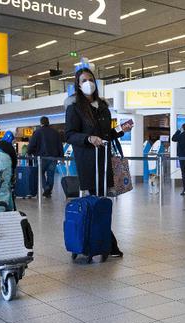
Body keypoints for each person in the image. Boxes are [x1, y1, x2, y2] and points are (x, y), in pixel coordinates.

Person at [65, 67, 133, 258]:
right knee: (96, 201)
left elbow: (106, 135)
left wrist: (121, 129)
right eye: (84, 80)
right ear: (78, 85)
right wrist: (88, 139)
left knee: (102, 202)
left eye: (90, 79)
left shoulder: (103, 107)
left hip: (103, 162)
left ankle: (101, 242)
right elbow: (70, 135)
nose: (88, 83)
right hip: (88, 162)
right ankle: (106, 243)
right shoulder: (74, 108)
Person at [27, 116, 63, 198]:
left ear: (41, 123)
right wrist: (61, 156)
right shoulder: (55, 132)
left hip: (41, 158)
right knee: (51, 175)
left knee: (39, 173)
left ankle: (46, 188)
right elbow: (59, 145)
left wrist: (29, 152)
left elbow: (32, 144)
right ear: (48, 122)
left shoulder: (38, 132)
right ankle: (48, 191)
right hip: (53, 158)